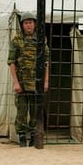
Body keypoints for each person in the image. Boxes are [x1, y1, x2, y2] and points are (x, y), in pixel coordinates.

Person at [8, 11, 50, 147]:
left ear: (35, 24)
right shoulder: (17, 40)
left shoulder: (41, 39)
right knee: (21, 111)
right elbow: (12, 62)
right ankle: (21, 138)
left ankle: (33, 137)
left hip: (36, 82)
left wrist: (46, 81)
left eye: (31, 22)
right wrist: (16, 82)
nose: (28, 26)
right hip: (21, 81)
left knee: (34, 111)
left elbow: (46, 61)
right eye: (26, 23)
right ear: (22, 25)